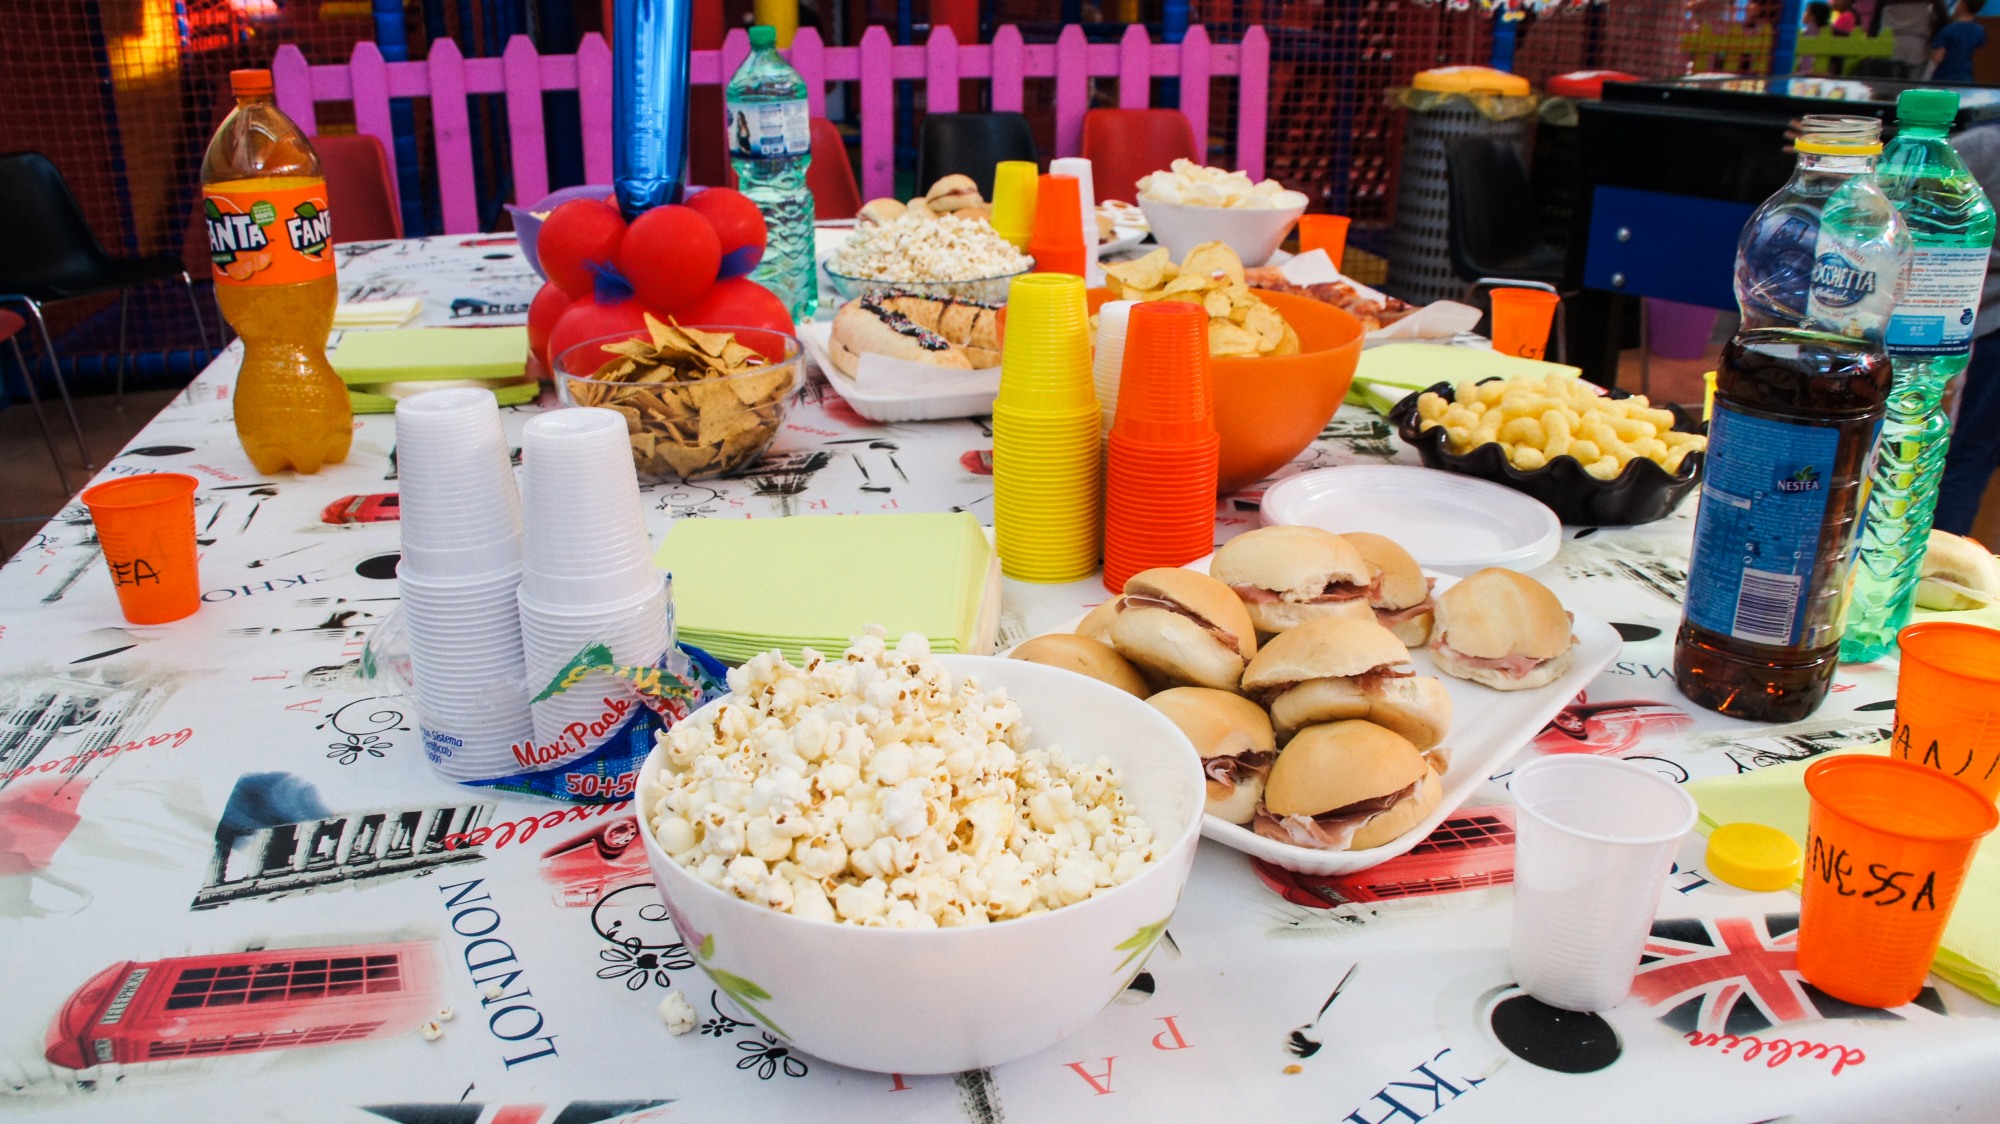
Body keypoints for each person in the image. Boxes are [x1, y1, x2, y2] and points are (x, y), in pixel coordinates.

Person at [1933, 124, 2000, 535]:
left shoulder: (1985, 145)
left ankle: (1930, 561)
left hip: (1980, 327)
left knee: (1949, 461)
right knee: (1972, 458)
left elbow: (1893, 197)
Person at [1932, 0, 1987, 82]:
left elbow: (1937, 57)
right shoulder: (1980, 30)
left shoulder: (1947, 30)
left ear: (1962, 4)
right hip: (1967, 77)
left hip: (1944, 77)